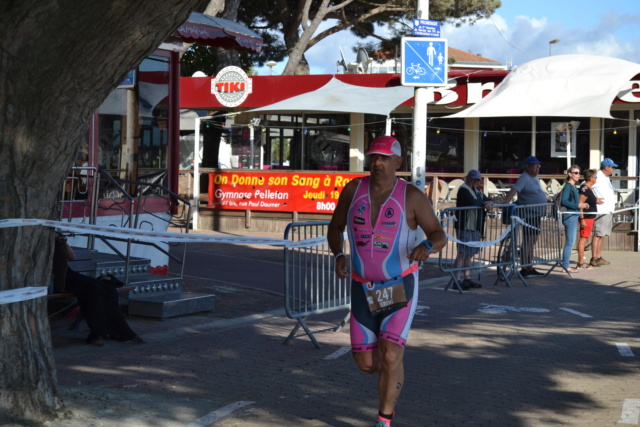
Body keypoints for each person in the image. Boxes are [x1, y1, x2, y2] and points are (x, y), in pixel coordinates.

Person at [327, 136, 447, 427]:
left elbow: (438, 234)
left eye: (384, 158)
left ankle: (384, 418)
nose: (377, 163)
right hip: (361, 286)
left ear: (398, 163)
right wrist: (339, 254)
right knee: (368, 364)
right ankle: (394, 372)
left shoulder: (412, 196)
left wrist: (428, 247)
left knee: (390, 354)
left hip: (399, 285)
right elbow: (335, 226)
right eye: (373, 157)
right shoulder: (353, 190)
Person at [52, 234, 144, 346]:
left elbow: (72, 257)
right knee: (93, 290)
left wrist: (64, 243)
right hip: (58, 279)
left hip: (70, 274)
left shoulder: (58, 243)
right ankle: (98, 334)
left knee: (108, 289)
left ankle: (123, 333)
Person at [502, 156, 550, 278]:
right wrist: (505, 204)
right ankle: (525, 268)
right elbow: (513, 190)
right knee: (528, 241)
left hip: (537, 213)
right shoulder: (524, 177)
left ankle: (529, 266)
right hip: (529, 214)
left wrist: (546, 197)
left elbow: (538, 192)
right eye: (535, 166)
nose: (538, 168)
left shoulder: (535, 178)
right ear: (527, 167)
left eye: (539, 166)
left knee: (533, 241)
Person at [453, 169, 493, 290]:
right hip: (465, 225)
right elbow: (473, 202)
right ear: (468, 178)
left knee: (469, 254)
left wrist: (489, 202)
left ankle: (467, 278)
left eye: (477, 180)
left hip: (475, 226)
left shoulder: (478, 191)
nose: (476, 182)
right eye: (474, 179)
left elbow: (488, 199)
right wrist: (486, 203)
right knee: (462, 253)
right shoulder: (463, 189)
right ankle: (457, 280)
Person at [559, 165, 590, 273]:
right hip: (570, 216)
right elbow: (564, 201)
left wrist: (582, 205)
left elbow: (573, 202)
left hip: (573, 216)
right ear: (569, 174)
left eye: (579, 173)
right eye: (575, 173)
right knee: (570, 242)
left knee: (570, 241)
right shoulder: (568, 186)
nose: (578, 175)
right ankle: (566, 266)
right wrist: (577, 206)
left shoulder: (573, 187)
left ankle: (565, 265)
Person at [590, 158, 617, 266]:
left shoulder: (607, 178)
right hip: (601, 210)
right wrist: (594, 199)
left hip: (608, 210)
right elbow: (585, 186)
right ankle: (594, 258)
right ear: (606, 167)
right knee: (598, 234)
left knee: (603, 235)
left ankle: (598, 256)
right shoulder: (597, 176)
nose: (613, 169)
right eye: (612, 167)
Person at [576, 169, 602, 269]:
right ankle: (581, 262)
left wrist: (596, 200)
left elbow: (589, 200)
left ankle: (581, 261)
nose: (596, 178)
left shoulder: (589, 188)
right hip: (586, 218)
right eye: (595, 176)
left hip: (590, 218)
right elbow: (580, 204)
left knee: (585, 238)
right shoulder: (585, 188)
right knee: (583, 239)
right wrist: (582, 218)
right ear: (590, 178)